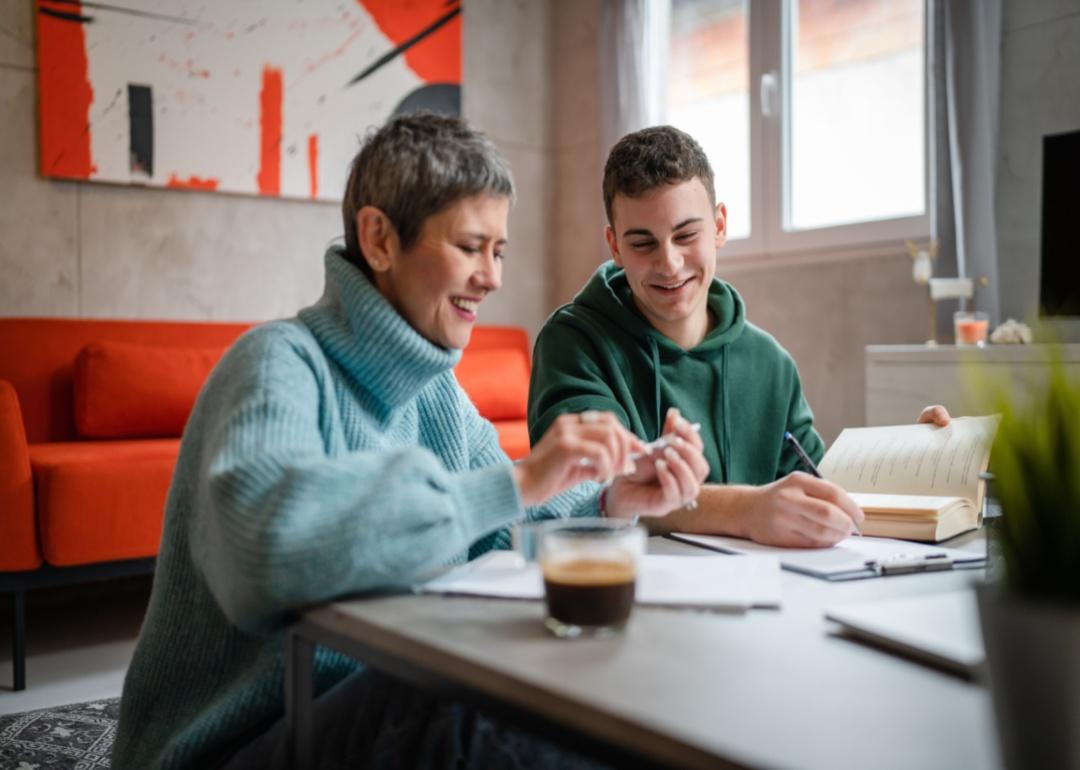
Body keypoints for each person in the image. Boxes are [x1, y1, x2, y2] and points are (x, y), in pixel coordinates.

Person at [111, 114, 707, 770]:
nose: (493, 277)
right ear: (380, 239)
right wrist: (518, 481)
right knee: (465, 700)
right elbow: (266, 559)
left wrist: (613, 497)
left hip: (355, 712)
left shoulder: (435, 393)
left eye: (499, 251)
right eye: (471, 246)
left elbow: (497, 520)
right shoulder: (275, 363)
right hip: (232, 746)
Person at [528, 125, 949, 549]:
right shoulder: (573, 342)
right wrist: (746, 511)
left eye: (686, 235)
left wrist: (905, 465)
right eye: (643, 243)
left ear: (720, 226)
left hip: (766, 597)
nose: (670, 264)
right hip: (633, 593)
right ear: (614, 246)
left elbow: (818, 488)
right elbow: (594, 492)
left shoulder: (770, 362)